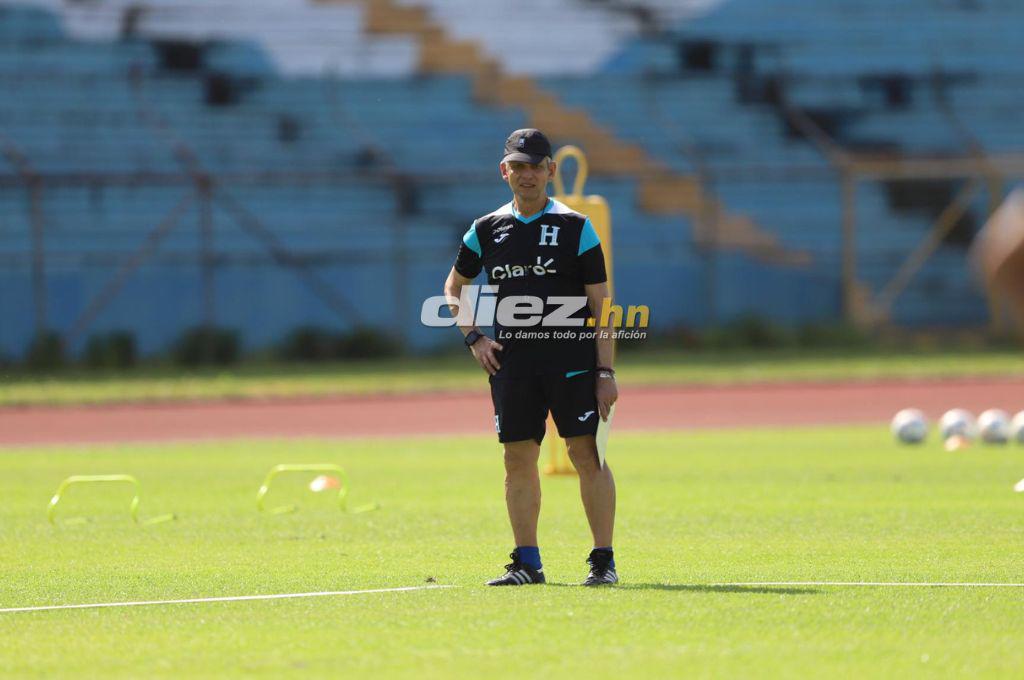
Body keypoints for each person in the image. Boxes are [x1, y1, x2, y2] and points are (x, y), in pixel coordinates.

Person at [442, 129, 619, 586]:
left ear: (550, 172)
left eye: (535, 166)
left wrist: (605, 370)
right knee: (517, 459)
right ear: (505, 171)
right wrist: (475, 338)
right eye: (517, 166)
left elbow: (602, 304)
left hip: (574, 363)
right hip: (514, 366)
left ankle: (603, 562)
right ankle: (527, 563)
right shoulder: (485, 229)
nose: (526, 174)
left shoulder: (576, 227)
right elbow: (453, 287)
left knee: (587, 455)